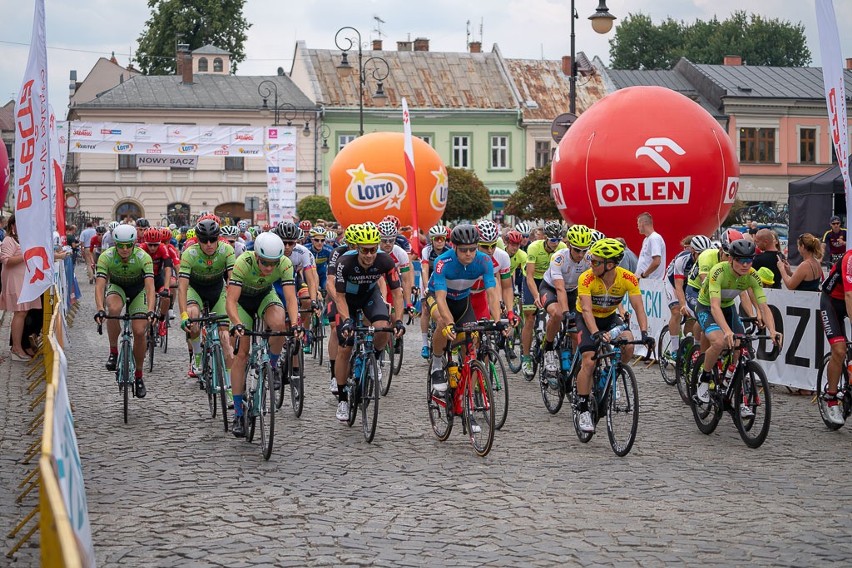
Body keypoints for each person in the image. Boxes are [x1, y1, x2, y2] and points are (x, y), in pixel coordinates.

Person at [226, 232, 302, 437]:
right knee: (241, 354)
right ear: (256, 256)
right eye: (265, 263)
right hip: (242, 302)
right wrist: (238, 324)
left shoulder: (285, 263)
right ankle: (239, 414)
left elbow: (290, 298)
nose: (269, 268)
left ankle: (274, 366)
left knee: (280, 324)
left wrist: (294, 324)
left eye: (273, 263)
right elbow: (231, 301)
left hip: (264, 296)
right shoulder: (243, 262)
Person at [575, 238, 653, 433]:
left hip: (609, 317)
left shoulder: (627, 278)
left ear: (610, 265)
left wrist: (644, 333)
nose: (590, 264)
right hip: (587, 319)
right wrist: (595, 334)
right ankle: (582, 408)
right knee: (590, 361)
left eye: (595, 262)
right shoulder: (586, 278)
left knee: (628, 344)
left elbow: (639, 307)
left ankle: (614, 375)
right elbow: (585, 310)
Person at [694, 239, 781, 413]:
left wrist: (773, 330)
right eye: (741, 260)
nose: (745, 264)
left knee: (741, 347)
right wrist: (726, 331)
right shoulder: (717, 272)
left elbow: (763, 306)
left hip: (728, 307)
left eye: (749, 260)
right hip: (707, 306)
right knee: (719, 342)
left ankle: (733, 387)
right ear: (730, 260)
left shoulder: (752, 275)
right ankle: (704, 378)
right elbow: (714, 307)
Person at [333, 224, 405, 421]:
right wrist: (347, 321)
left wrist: (398, 320)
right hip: (347, 299)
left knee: (383, 328)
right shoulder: (344, 262)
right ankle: (342, 399)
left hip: (369, 297)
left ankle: (375, 359)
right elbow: (339, 297)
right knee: (345, 347)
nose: (369, 254)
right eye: (365, 250)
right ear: (357, 248)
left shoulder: (384, 260)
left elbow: (398, 293)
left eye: (373, 249)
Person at [427, 224, 503, 397]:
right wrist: (450, 323)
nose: (468, 253)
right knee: (441, 321)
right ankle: (437, 365)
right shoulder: (443, 262)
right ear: (454, 247)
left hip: (462, 299)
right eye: (463, 250)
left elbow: (492, 292)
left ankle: (466, 399)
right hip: (439, 296)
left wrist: (497, 321)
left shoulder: (484, 261)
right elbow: (440, 298)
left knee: (472, 342)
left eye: (472, 249)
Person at [93, 224, 157, 398]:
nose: (125, 249)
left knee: (138, 331)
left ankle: (138, 375)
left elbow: (150, 287)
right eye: (120, 245)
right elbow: (100, 286)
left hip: (138, 291)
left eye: (128, 245)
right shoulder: (106, 257)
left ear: (134, 243)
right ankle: (114, 351)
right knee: (112, 309)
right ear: (115, 244)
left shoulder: (143, 257)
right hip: (117, 287)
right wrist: (100, 309)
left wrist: (150, 310)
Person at [178, 219, 236, 379]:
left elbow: (232, 281)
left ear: (218, 238)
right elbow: (182, 287)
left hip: (217, 291)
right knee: (193, 316)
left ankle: (229, 388)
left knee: (225, 339)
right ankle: (197, 356)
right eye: (204, 240)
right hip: (195, 290)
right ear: (198, 240)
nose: (209, 244)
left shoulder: (227, 250)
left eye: (213, 239)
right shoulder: (190, 253)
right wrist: (183, 315)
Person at [539, 224, 592, 375]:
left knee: (576, 332)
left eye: (584, 250)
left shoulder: (589, 259)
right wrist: (567, 312)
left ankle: (577, 368)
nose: (581, 254)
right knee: (558, 314)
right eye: (577, 250)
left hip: (572, 291)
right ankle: (548, 348)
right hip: (550, 288)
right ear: (569, 245)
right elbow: (560, 288)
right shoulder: (559, 258)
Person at [522, 221, 567, 378]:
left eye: (558, 240)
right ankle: (526, 357)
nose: (556, 244)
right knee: (530, 317)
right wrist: (535, 296)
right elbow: (529, 276)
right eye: (553, 240)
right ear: (546, 238)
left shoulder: (562, 249)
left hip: (551, 282)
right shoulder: (534, 247)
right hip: (534, 281)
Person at [0, 215, 44, 361]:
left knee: (23, 312)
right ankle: (16, 348)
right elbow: (6, 260)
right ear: (12, 226)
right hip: (15, 280)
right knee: (20, 312)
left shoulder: (23, 240)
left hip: (25, 280)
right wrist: (26, 255)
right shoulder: (9, 240)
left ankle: (19, 346)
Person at [419, 225, 451, 358]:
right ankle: (425, 344)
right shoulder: (427, 251)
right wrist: (426, 287)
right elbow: (425, 269)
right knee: (425, 309)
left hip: (442, 279)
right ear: (432, 240)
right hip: (428, 278)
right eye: (436, 239)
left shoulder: (449, 250)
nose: (439, 241)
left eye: (442, 239)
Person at [636, 212, 666, 280]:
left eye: (638, 224)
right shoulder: (647, 239)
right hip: (645, 281)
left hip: (651, 283)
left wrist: (643, 275)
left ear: (642, 223)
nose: (637, 227)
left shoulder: (654, 238)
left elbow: (657, 261)